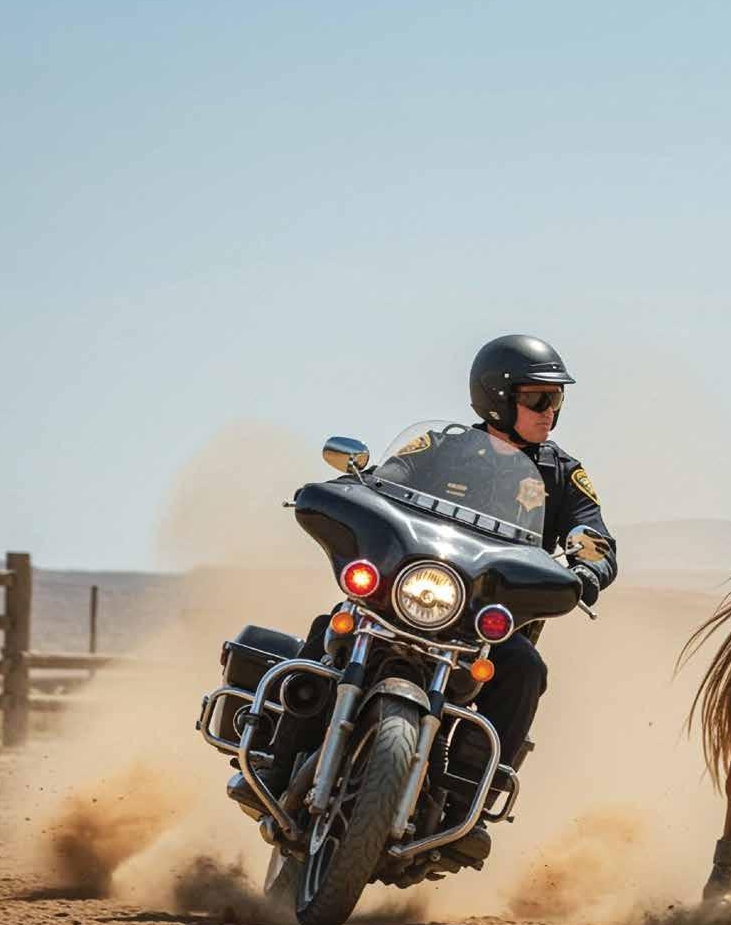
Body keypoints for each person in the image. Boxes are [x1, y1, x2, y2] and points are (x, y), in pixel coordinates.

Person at [229, 334, 617, 814]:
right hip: (401, 599)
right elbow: (382, 482)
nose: (549, 412)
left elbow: (591, 533)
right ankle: (278, 761)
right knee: (332, 626)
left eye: (556, 400)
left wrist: (590, 566)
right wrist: (346, 489)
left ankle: (465, 806)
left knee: (525, 669)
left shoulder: (562, 475)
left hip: (482, 627)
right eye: (538, 399)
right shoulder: (437, 448)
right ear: (497, 397)